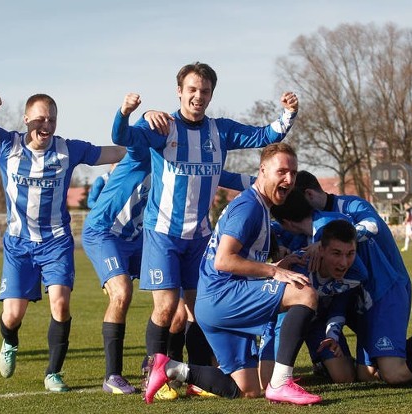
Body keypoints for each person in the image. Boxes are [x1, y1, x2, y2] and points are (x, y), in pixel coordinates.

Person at [111, 62, 300, 383]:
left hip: (199, 237)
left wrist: (289, 112)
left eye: (205, 91)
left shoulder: (220, 130)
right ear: (180, 92)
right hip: (162, 234)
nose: (198, 96)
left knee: (199, 309)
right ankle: (154, 374)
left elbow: (266, 135)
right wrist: (127, 112)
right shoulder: (163, 127)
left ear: (212, 94)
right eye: (192, 90)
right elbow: (121, 136)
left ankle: (196, 374)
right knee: (167, 307)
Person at [0, 93, 125, 392]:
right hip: (18, 244)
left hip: (56, 241)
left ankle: (53, 373)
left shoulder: (68, 150)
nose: (46, 125)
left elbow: (112, 153)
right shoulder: (6, 143)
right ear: (26, 120)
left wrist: (148, 145)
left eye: (52, 120)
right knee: (12, 315)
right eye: (40, 119)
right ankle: (9, 341)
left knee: (60, 304)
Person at [143, 143, 322, 405]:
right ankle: (282, 383)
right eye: (282, 171)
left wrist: (279, 265)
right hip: (223, 297)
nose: (289, 179)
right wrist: (274, 271)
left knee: (247, 388)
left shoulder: (259, 206)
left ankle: (170, 368)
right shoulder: (249, 207)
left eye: (293, 173)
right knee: (305, 294)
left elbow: (242, 260)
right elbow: (224, 260)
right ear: (262, 170)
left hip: (214, 302)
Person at [83, 127, 253, 396]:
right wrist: (142, 115)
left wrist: (263, 181)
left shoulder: (176, 166)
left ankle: (175, 372)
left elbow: (222, 176)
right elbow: (124, 135)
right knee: (122, 292)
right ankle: (113, 375)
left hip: (145, 238)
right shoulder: (140, 155)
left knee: (182, 307)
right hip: (106, 234)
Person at [271, 190, 412, 386]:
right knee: (366, 374)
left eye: (348, 253)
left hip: (384, 295)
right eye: (338, 254)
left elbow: (370, 228)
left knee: (393, 373)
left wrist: (326, 246)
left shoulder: (335, 225)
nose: (343, 261)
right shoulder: (313, 237)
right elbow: (340, 292)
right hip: (365, 302)